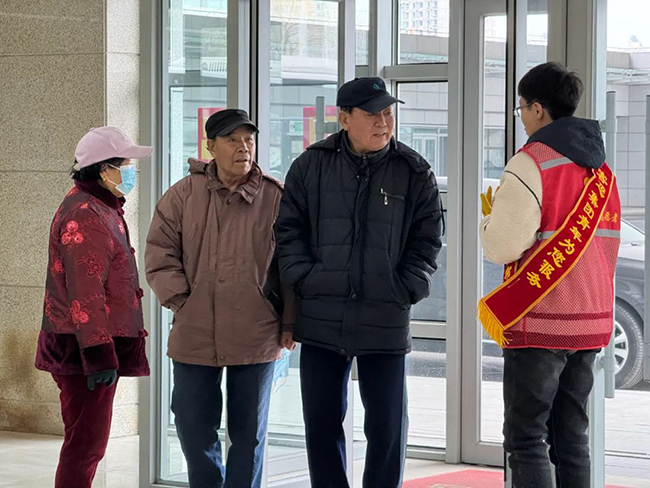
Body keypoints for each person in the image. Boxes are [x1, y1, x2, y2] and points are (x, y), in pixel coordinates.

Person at [274, 77, 443, 488]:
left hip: (385, 315)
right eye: (372, 114)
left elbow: (427, 240)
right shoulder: (310, 166)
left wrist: (406, 286)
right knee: (321, 424)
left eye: (388, 112)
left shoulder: (413, 171)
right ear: (345, 118)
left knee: (387, 427)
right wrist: (306, 278)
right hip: (322, 314)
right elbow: (288, 231)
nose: (384, 122)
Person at [478, 62, 621, 488]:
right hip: (590, 323)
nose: (522, 117)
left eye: (521, 108)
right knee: (571, 438)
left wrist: (488, 221)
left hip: (540, 322)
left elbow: (503, 246)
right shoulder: (603, 173)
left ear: (538, 109)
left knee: (526, 439)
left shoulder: (531, 163)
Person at [145, 109, 295, 488]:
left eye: (248, 139)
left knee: (249, 434)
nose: (243, 147)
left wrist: (289, 319)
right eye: (232, 140)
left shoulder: (275, 198)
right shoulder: (183, 194)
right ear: (210, 146)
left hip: (257, 332)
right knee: (192, 425)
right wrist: (183, 301)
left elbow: (293, 265)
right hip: (195, 330)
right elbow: (159, 253)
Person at [35, 126, 153, 488]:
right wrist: (99, 355)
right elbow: (85, 292)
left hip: (88, 345)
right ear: (104, 170)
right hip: (84, 350)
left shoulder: (101, 207)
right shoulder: (87, 214)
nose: (131, 171)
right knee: (85, 445)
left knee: (87, 444)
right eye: (126, 164)